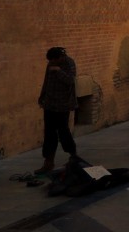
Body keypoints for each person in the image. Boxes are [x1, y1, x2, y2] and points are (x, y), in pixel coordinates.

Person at [37, 46, 78, 174]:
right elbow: (46, 80)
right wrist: (42, 95)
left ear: (60, 58)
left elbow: (70, 81)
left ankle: (74, 157)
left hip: (63, 105)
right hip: (49, 104)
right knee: (49, 133)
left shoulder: (69, 63)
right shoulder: (51, 63)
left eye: (54, 61)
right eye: (50, 61)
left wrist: (58, 70)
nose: (51, 63)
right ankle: (48, 162)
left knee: (63, 131)